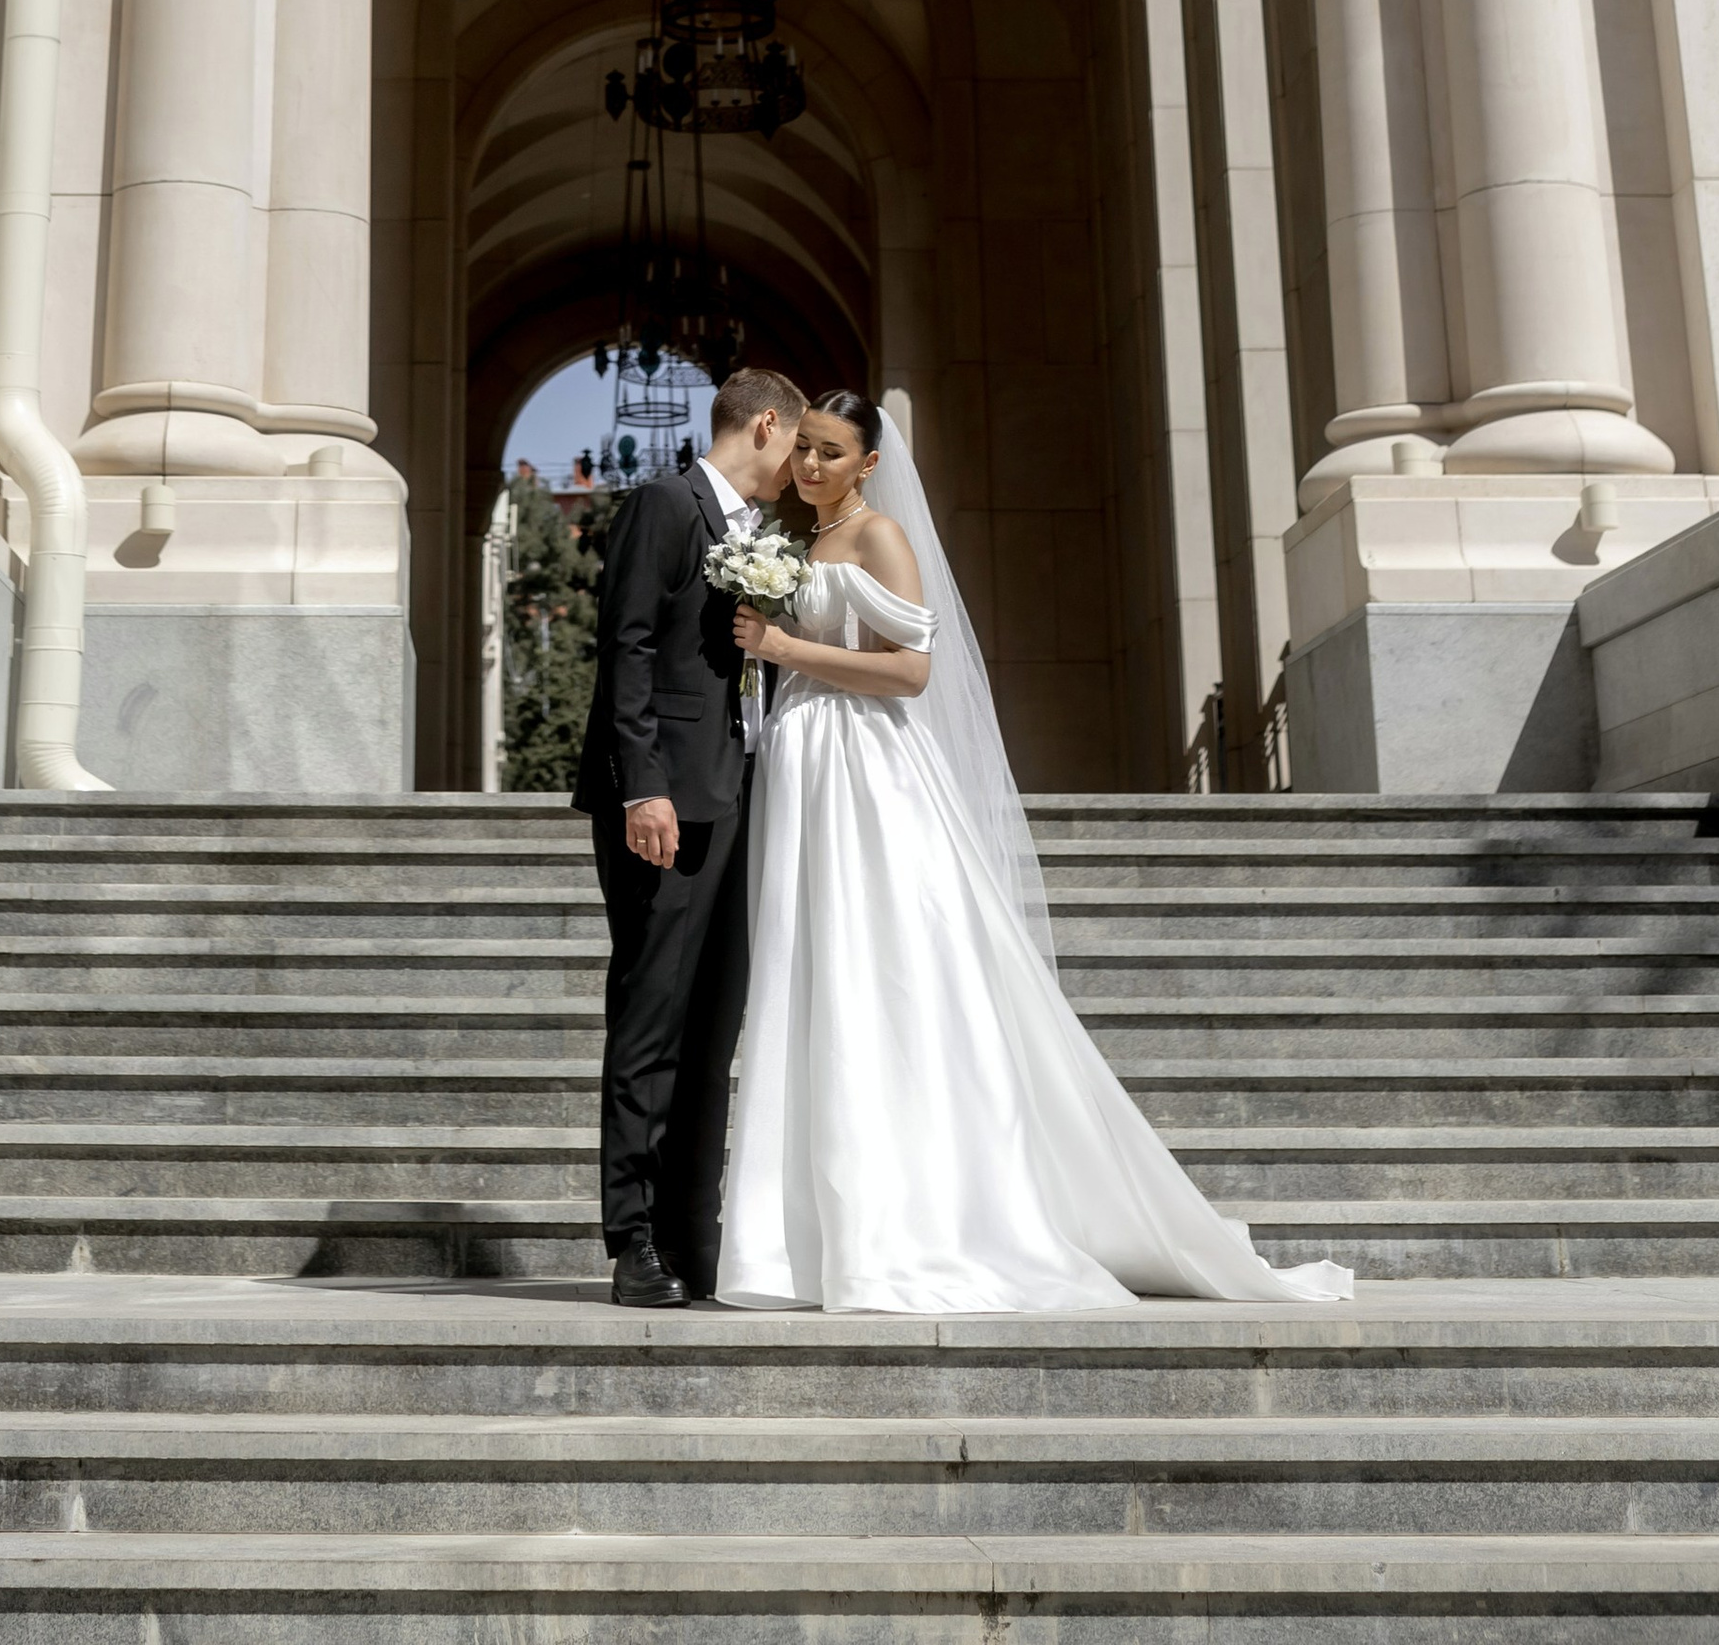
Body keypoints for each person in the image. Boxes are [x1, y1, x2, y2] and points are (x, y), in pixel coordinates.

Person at [716, 390, 1353, 1315]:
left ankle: (920, 1224)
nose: (810, 466)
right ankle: (801, 1240)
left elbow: (910, 671)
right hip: (805, 761)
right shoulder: (802, 544)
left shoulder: (881, 536)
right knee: (810, 968)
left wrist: (784, 647)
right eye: (805, 449)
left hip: (866, 768)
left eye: (830, 452)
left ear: (868, 463)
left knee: (877, 963)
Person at [571, 359, 808, 1307]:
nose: (797, 463)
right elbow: (625, 645)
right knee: (652, 1020)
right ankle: (632, 1244)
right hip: (665, 806)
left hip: (738, 798)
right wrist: (643, 790)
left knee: (715, 1029)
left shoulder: (762, 533)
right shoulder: (667, 507)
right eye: (795, 443)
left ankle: (692, 1240)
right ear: (763, 428)